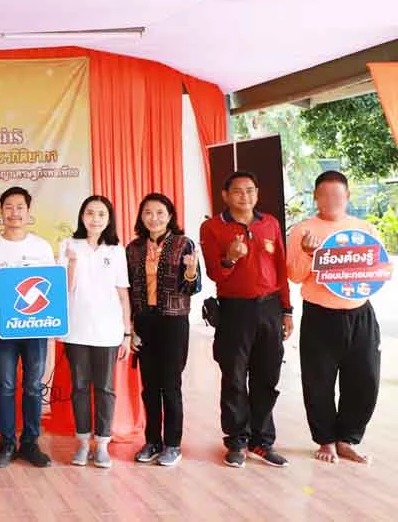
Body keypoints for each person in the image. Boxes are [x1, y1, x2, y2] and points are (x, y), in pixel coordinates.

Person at [286, 170, 381, 465]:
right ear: (315, 197)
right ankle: (326, 440)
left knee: (365, 379)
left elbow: (376, 270)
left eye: (337, 195)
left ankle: (348, 439)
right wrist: (306, 253)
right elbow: (295, 275)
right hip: (320, 316)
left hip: (360, 314)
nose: (331, 200)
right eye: (324, 195)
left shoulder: (364, 228)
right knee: (319, 381)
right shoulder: (303, 230)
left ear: (347, 196)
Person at [199, 171, 293, 469]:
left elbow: (281, 269)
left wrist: (287, 310)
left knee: (267, 377)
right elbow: (215, 272)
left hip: (269, 309)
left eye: (250, 190)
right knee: (235, 378)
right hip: (234, 310)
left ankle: (262, 442)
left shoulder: (271, 224)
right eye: (237, 191)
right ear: (225, 196)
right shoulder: (213, 227)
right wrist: (230, 257)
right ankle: (237, 440)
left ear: (257, 193)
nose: (245, 196)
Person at [0, 186, 55, 469]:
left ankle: (31, 443)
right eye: (8, 207)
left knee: (34, 385)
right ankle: (7, 443)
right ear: (1, 211)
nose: (14, 213)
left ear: (28, 211)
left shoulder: (41, 246)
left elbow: (52, 288)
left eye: (19, 207)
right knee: (7, 384)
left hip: (36, 324)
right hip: (5, 324)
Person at [126, 193, 201, 467]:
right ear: (141, 217)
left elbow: (193, 287)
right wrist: (132, 327)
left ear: (170, 216)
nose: (153, 218)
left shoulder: (184, 244)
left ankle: (172, 444)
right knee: (149, 386)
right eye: (148, 213)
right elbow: (130, 290)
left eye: (159, 212)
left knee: (170, 385)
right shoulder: (133, 249)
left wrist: (191, 272)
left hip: (173, 321)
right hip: (145, 321)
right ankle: (151, 441)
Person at [60, 195, 132, 468]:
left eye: (101, 214)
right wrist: (72, 262)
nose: (95, 218)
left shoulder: (115, 249)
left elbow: (122, 293)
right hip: (75, 328)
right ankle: (81, 443)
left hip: (107, 330)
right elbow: (64, 288)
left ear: (109, 219)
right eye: (90, 213)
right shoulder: (68, 245)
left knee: (105, 388)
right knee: (79, 387)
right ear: (82, 216)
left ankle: (102, 444)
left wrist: (126, 332)